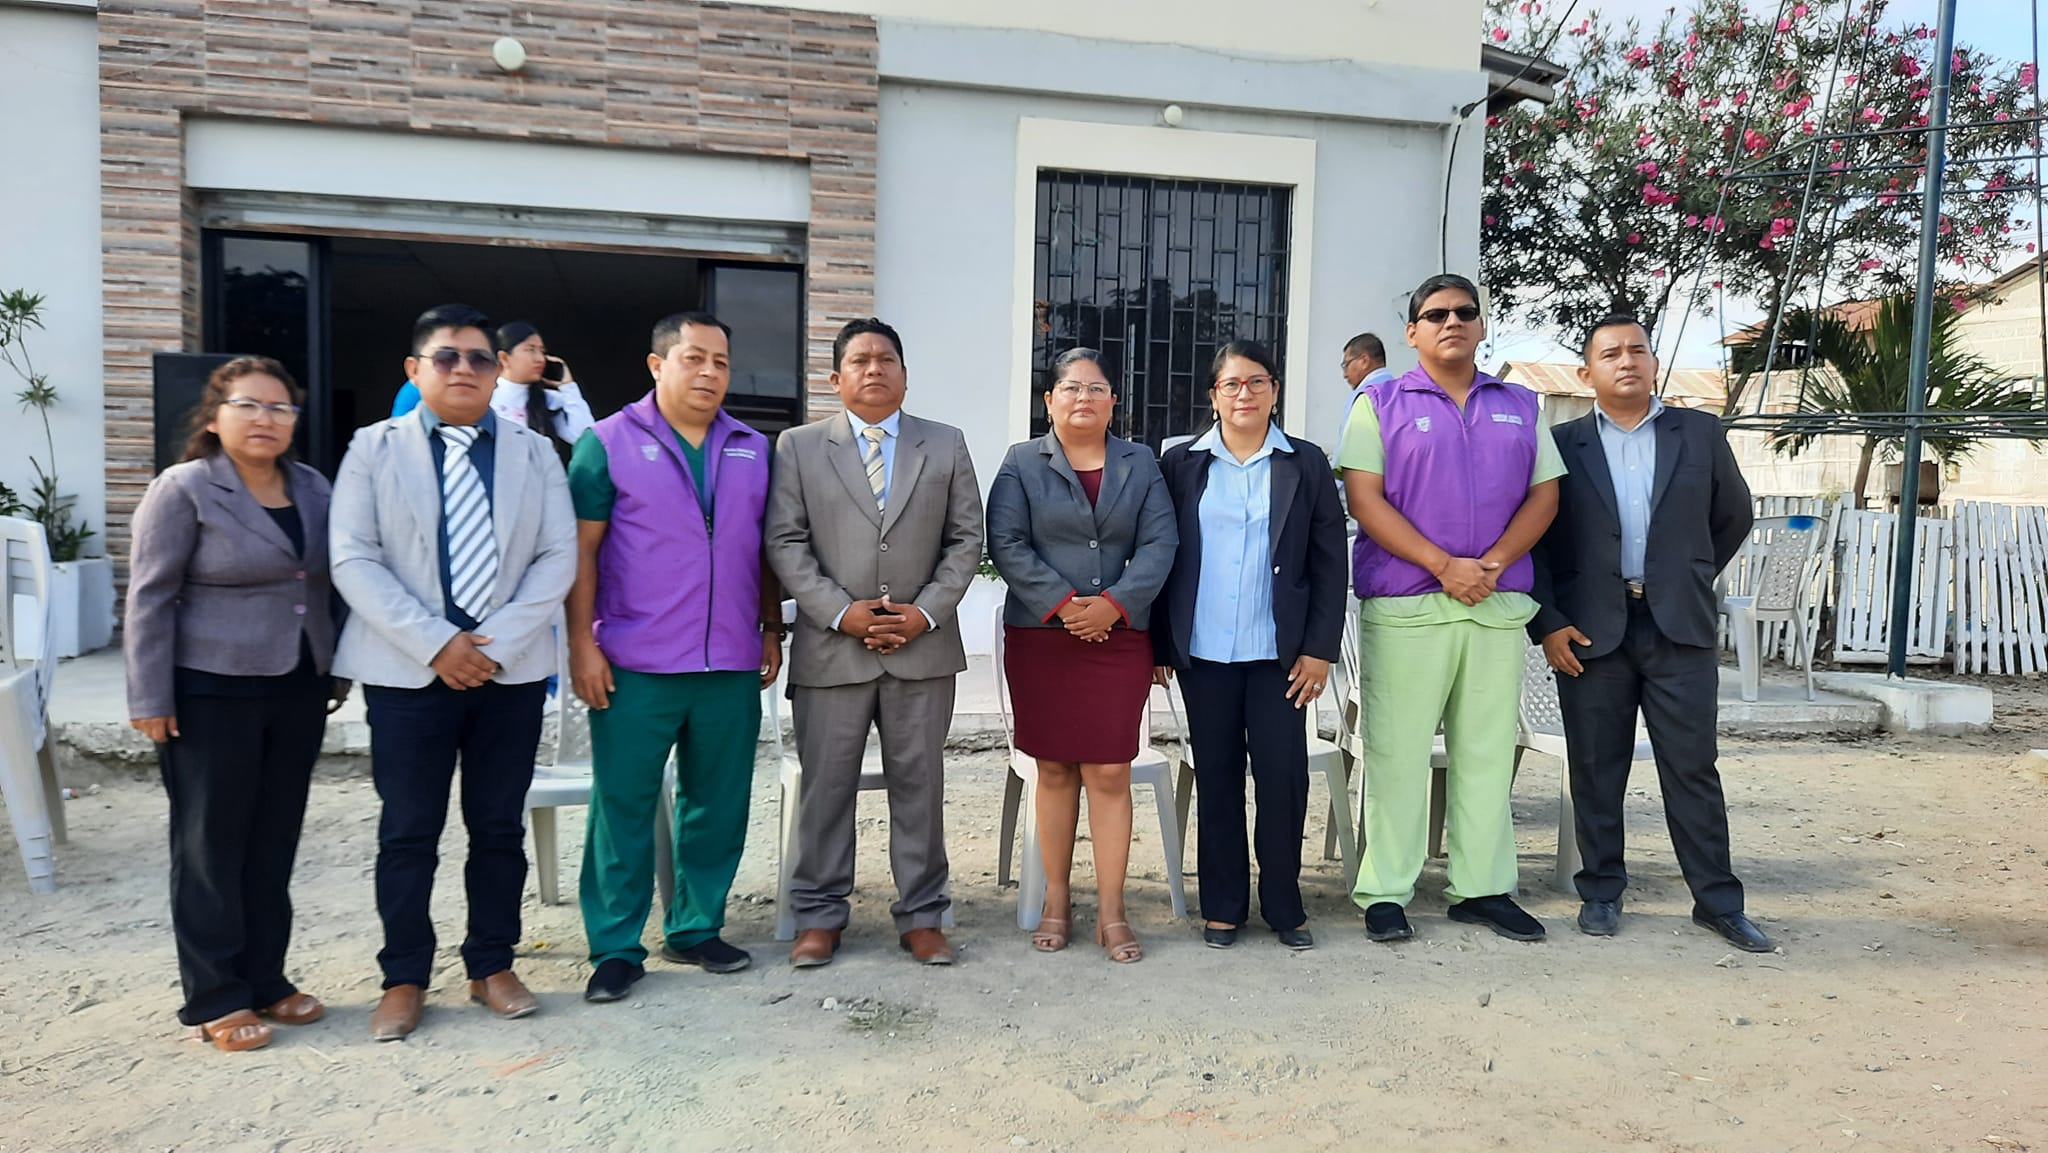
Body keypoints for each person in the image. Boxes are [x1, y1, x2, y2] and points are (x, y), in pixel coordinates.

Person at [330, 303, 576, 1040]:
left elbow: (556, 556)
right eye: (446, 357)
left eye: (478, 358)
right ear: (416, 370)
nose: (463, 369)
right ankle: (403, 976)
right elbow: (353, 557)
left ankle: (491, 964)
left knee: (497, 827)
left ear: (499, 372)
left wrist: (492, 646)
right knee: (408, 830)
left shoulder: (535, 453)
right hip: (407, 672)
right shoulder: (372, 448)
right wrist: (438, 643)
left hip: (509, 672)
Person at [1529, 315, 1772, 952]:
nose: (1626, 361)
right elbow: (1536, 542)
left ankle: (1717, 902)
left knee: (1692, 767)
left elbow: (1732, 515)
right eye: (1610, 353)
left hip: (1678, 628)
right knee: (1595, 766)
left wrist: (1684, 574)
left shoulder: (1699, 432)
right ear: (1587, 373)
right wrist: (1548, 622)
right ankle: (1601, 891)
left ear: (1654, 363)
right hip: (1590, 631)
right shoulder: (1561, 443)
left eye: (1638, 350)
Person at [125, 357, 347, 1053]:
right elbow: (150, 596)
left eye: (280, 408)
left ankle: (266, 977)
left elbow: (325, 581)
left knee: (274, 838)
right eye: (248, 405)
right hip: (208, 687)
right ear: (215, 416)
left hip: (297, 684)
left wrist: (334, 663)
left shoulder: (313, 486)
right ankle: (216, 994)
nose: (264, 419)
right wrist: (149, 694)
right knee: (209, 843)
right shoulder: (184, 488)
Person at [1339, 273, 1564, 944]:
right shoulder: (1379, 402)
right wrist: (1443, 565)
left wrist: (1490, 565)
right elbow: (1365, 498)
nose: (1452, 322)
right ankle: (1386, 890)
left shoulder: (1520, 404)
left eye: (1465, 311)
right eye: (1435, 314)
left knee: (1488, 753)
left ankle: (1482, 887)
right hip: (1409, 607)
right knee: (1398, 755)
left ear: (1482, 325)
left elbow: (1545, 495)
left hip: (1493, 604)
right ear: (1413, 332)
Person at [569, 311, 783, 1003]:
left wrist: (771, 628)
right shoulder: (606, 443)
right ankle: (614, 946)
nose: (710, 373)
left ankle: (695, 925)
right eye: (694, 358)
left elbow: (764, 549)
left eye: (721, 361)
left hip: (729, 662)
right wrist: (582, 644)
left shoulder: (752, 448)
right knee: (623, 804)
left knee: (717, 801)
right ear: (658, 365)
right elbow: (582, 553)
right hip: (635, 662)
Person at [765, 317, 984, 968]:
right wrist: (841, 613)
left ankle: (923, 915)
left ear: (905, 375)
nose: (874, 369)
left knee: (920, 786)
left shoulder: (945, 444)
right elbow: (785, 541)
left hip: (922, 650)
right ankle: (818, 915)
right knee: (826, 788)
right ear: (836, 378)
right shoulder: (798, 447)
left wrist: (924, 614)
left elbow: (966, 540)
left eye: (886, 359)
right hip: (832, 650)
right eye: (859, 360)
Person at [1155, 341, 1348, 952]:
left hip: (1280, 656)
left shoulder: (1305, 463)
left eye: (1257, 382)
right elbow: (1160, 555)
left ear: (1274, 391)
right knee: (1216, 778)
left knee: (1282, 778)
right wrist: (1158, 642)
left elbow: (1329, 562)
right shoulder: (1181, 463)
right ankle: (1223, 906)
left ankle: (1285, 904)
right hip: (1205, 652)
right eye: (1231, 384)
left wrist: (1320, 648)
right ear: (1213, 396)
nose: (1245, 394)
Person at [986, 348, 1177, 963]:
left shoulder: (1141, 463)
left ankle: (1114, 911)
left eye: (1097, 389)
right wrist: (1065, 605)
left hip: (1118, 636)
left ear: (1113, 400)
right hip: (1043, 637)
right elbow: (1006, 542)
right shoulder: (1021, 462)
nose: (1084, 398)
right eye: (1071, 388)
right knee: (1055, 769)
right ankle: (1057, 901)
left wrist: (1114, 605)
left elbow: (1161, 542)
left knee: (1111, 771)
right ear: (1049, 400)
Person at [492, 320, 594, 466]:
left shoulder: (549, 400)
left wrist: (569, 388)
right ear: (504, 357)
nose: (540, 359)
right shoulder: (483, 397)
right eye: (530, 350)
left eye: (542, 352)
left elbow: (584, 439)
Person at [1334, 332, 1391, 463]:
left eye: (1346, 365)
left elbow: (1347, 449)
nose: (1345, 374)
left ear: (1364, 361)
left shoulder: (1364, 395)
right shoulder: (1400, 392)